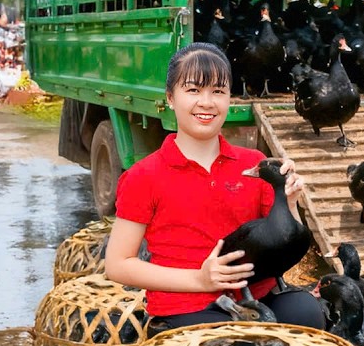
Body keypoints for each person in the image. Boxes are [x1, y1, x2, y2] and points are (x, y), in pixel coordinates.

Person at [103, 43, 323, 330]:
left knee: (307, 313)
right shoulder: (143, 175)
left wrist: (289, 199)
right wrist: (199, 280)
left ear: (229, 98)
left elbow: (282, 237)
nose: (206, 102)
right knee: (229, 342)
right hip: (187, 301)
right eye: (193, 90)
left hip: (255, 294)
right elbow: (118, 264)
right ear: (170, 97)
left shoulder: (254, 163)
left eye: (218, 91)